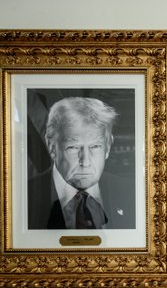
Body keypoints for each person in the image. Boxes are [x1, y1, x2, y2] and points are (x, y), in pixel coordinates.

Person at [27, 97, 135, 229]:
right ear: (52, 147)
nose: (85, 162)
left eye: (95, 146)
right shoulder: (20, 197)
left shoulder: (133, 193)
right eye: (73, 147)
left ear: (107, 146)